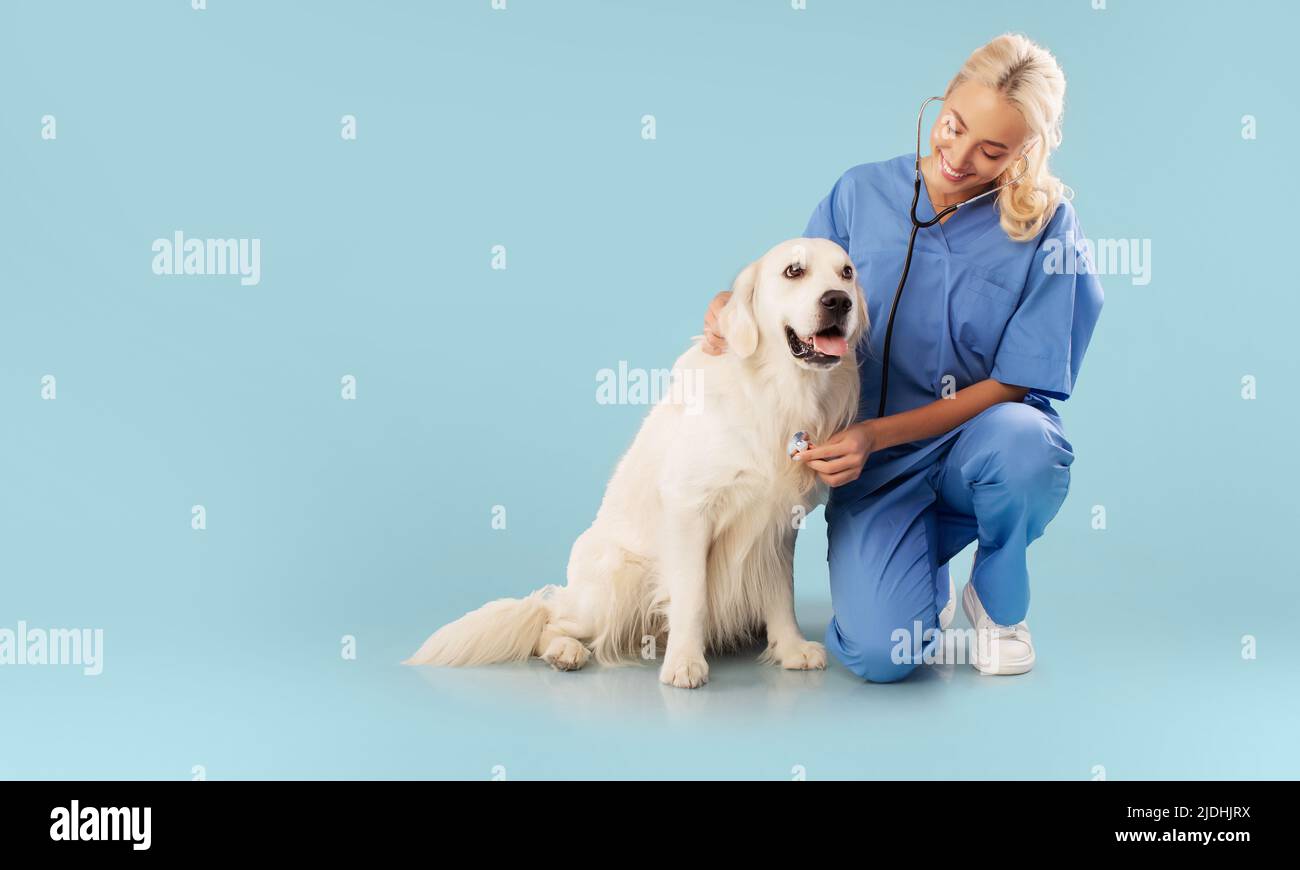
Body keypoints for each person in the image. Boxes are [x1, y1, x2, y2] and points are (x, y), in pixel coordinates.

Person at [702, 33, 1103, 682]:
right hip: (876, 472)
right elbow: (796, 287)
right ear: (941, 99)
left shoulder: (1049, 228)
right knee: (880, 657)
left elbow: (1018, 380)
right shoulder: (861, 193)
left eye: (992, 150)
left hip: (978, 441)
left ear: (1026, 152)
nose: (959, 156)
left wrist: (874, 433)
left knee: (1026, 449)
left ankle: (998, 600)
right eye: (954, 126)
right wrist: (732, 298)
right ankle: (920, 567)